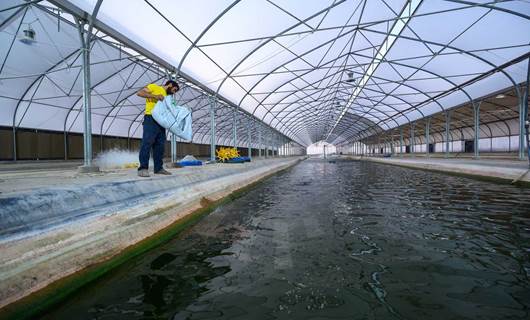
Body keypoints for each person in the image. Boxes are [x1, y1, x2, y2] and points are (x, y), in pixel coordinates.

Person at [136, 80, 180, 177]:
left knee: (160, 146)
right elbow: (140, 93)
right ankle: (143, 168)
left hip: (161, 121)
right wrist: (155, 96)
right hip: (150, 118)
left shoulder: (168, 98)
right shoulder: (154, 87)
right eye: (174, 89)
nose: (174, 92)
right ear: (170, 84)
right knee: (147, 142)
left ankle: (158, 168)